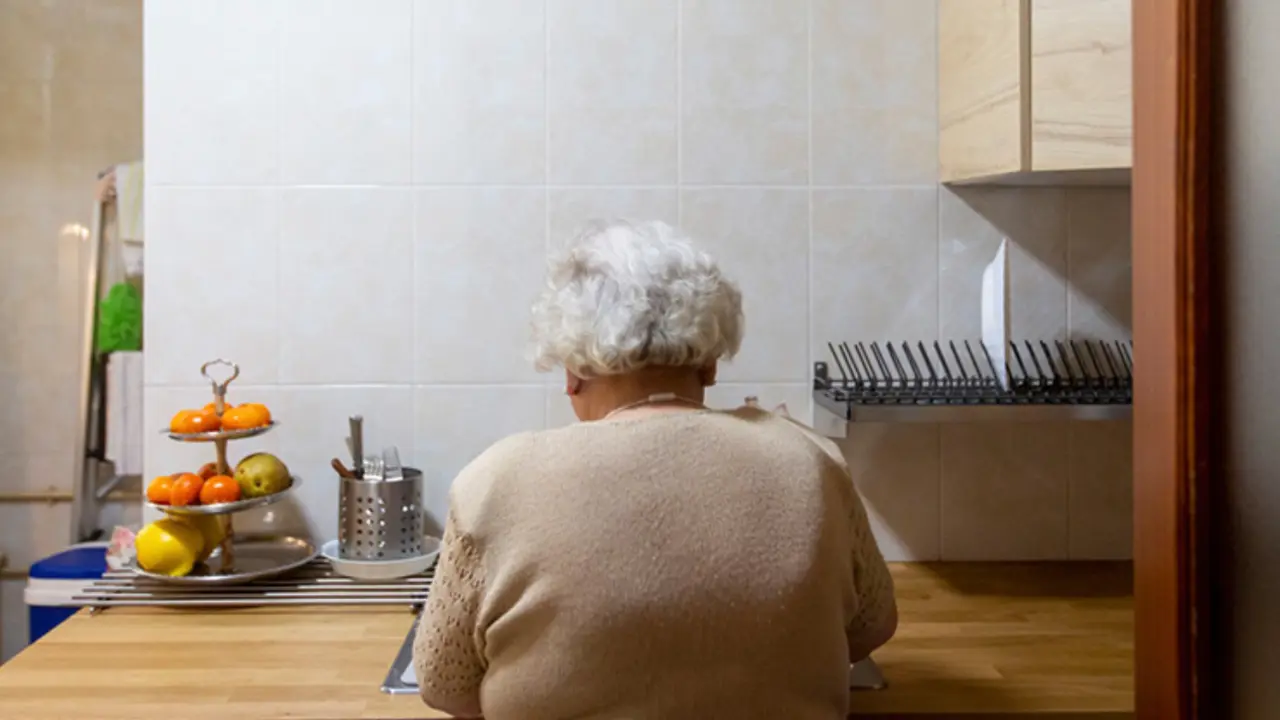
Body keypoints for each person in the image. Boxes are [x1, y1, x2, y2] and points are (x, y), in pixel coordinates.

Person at [413, 220, 897, 719]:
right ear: (710, 364)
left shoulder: (497, 479)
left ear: (574, 372)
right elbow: (871, 628)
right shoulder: (810, 459)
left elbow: (445, 685)